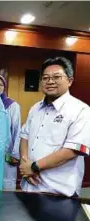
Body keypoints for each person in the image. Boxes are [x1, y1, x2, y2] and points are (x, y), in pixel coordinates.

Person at [19, 57, 90, 197]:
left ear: (70, 81)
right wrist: (24, 164)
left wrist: (33, 167)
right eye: (45, 78)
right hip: (29, 186)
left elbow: (71, 151)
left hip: (58, 191)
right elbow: (24, 137)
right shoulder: (35, 108)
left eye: (56, 77)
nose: (50, 81)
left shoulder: (81, 110)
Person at [0, 75, 21, 191]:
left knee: (6, 186)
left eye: (1, 84)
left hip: (6, 153)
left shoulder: (12, 105)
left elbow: (16, 130)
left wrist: (15, 154)